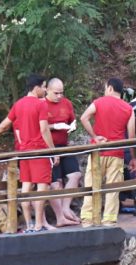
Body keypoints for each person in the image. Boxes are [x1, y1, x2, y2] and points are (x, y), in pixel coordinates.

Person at [0, 74, 58, 232]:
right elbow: (44, 129)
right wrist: (53, 151)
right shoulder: (41, 105)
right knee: (41, 187)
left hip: (24, 152)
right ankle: (39, 224)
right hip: (39, 151)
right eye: (44, 86)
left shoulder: (18, 105)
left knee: (26, 186)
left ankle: (29, 224)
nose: (46, 90)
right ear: (36, 87)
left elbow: (5, 124)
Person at [80, 78, 136, 227]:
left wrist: (94, 137)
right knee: (113, 188)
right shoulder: (128, 108)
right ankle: (109, 220)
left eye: (105, 88)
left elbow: (84, 118)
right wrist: (133, 157)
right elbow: (131, 136)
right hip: (117, 153)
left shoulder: (99, 102)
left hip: (97, 151)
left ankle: (88, 219)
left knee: (92, 185)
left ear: (110, 88)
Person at [45, 78, 81, 227]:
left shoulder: (66, 103)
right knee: (56, 183)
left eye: (61, 93)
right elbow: (40, 126)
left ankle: (66, 208)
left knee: (75, 175)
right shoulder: (42, 104)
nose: (59, 96)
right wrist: (55, 126)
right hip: (48, 146)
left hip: (64, 145)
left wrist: (72, 126)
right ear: (47, 90)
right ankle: (60, 216)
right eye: (56, 93)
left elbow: (73, 120)